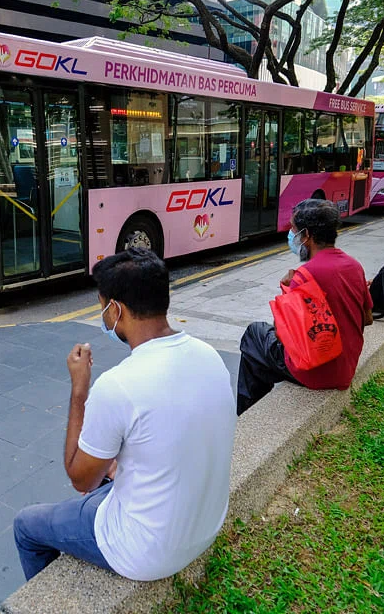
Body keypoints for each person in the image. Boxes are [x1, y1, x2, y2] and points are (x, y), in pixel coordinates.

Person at [13, 249, 236, 583]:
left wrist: (79, 390)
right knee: (109, 470)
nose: (103, 316)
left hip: (146, 552)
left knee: (26, 525)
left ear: (115, 310)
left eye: (102, 307)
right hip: (206, 526)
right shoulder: (210, 356)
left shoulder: (117, 385)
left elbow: (81, 480)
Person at [236, 199, 372, 415]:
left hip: (316, 373)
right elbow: (368, 319)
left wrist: (288, 291)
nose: (291, 235)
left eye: (293, 229)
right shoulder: (354, 265)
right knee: (261, 348)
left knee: (255, 334)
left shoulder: (306, 275)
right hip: (346, 368)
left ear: (306, 235)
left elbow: (283, 336)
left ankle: (246, 413)